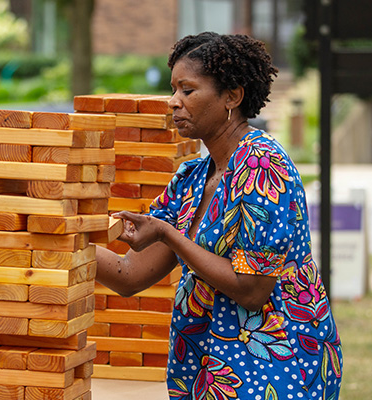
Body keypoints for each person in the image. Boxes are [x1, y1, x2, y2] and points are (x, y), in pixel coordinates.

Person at [96, 32, 343, 399]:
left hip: (275, 363)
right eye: (173, 90)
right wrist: (62, 236)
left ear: (232, 96)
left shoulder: (263, 167)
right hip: (210, 364)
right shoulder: (192, 178)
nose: (173, 102)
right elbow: (129, 275)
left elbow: (252, 289)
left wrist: (168, 234)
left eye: (188, 90)